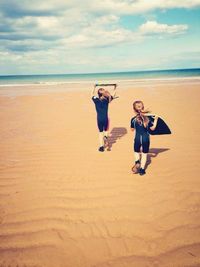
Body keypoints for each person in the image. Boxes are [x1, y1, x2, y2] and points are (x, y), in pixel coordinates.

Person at [130, 100, 158, 175]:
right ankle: (142, 170)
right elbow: (153, 128)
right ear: (143, 107)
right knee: (144, 154)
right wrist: (155, 120)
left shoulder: (133, 119)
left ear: (134, 109)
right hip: (146, 139)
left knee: (136, 151)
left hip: (137, 138)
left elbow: (132, 129)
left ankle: (137, 161)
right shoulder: (147, 119)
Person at [91, 84, 117, 152]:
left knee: (100, 133)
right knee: (106, 131)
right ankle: (105, 137)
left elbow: (91, 94)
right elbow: (113, 95)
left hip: (99, 119)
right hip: (105, 118)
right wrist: (115, 87)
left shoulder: (96, 100)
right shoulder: (106, 100)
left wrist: (94, 87)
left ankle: (101, 147)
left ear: (98, 94)